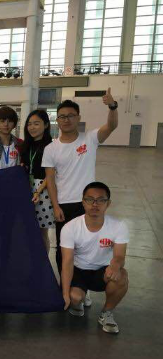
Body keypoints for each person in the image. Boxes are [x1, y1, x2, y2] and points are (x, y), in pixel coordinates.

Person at [42, 89, 119, 278]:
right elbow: (50, 180)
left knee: (87, 246)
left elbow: (111, 126)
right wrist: (55, 206)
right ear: (57, 120)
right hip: (64, 205)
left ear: (78, 118)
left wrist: (112, 106)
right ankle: (66, 286)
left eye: (70, 116)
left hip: (88, 204)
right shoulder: (51, 149)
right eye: (62, 116)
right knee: (64, 248)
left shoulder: (90, 139)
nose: (66, 120)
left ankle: (83, 287)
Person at [60, 182, 129, 334]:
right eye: (90, 199)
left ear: (108, 203)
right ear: (83, 202)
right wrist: (65, 294)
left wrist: (115, 265)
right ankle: (80, 296)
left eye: (101, 200)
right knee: (74, 298)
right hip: (79, 270)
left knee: (121, 276)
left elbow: (119, 256)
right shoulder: (70, 228)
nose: (95, 204)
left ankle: (106, 313)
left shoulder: (118, 226)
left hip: (103, 271)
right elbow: (67, 262)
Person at [20, 109, 54, 252]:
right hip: (26, 187)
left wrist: (38, 192)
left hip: (43, 191)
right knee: (27, 229)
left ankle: (43, 261)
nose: (32, 127)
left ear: (45, 125)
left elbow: (51, 174)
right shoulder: (25, 145)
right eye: (29, 124)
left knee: (42, 232)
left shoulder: (51, 147)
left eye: (36, 123)